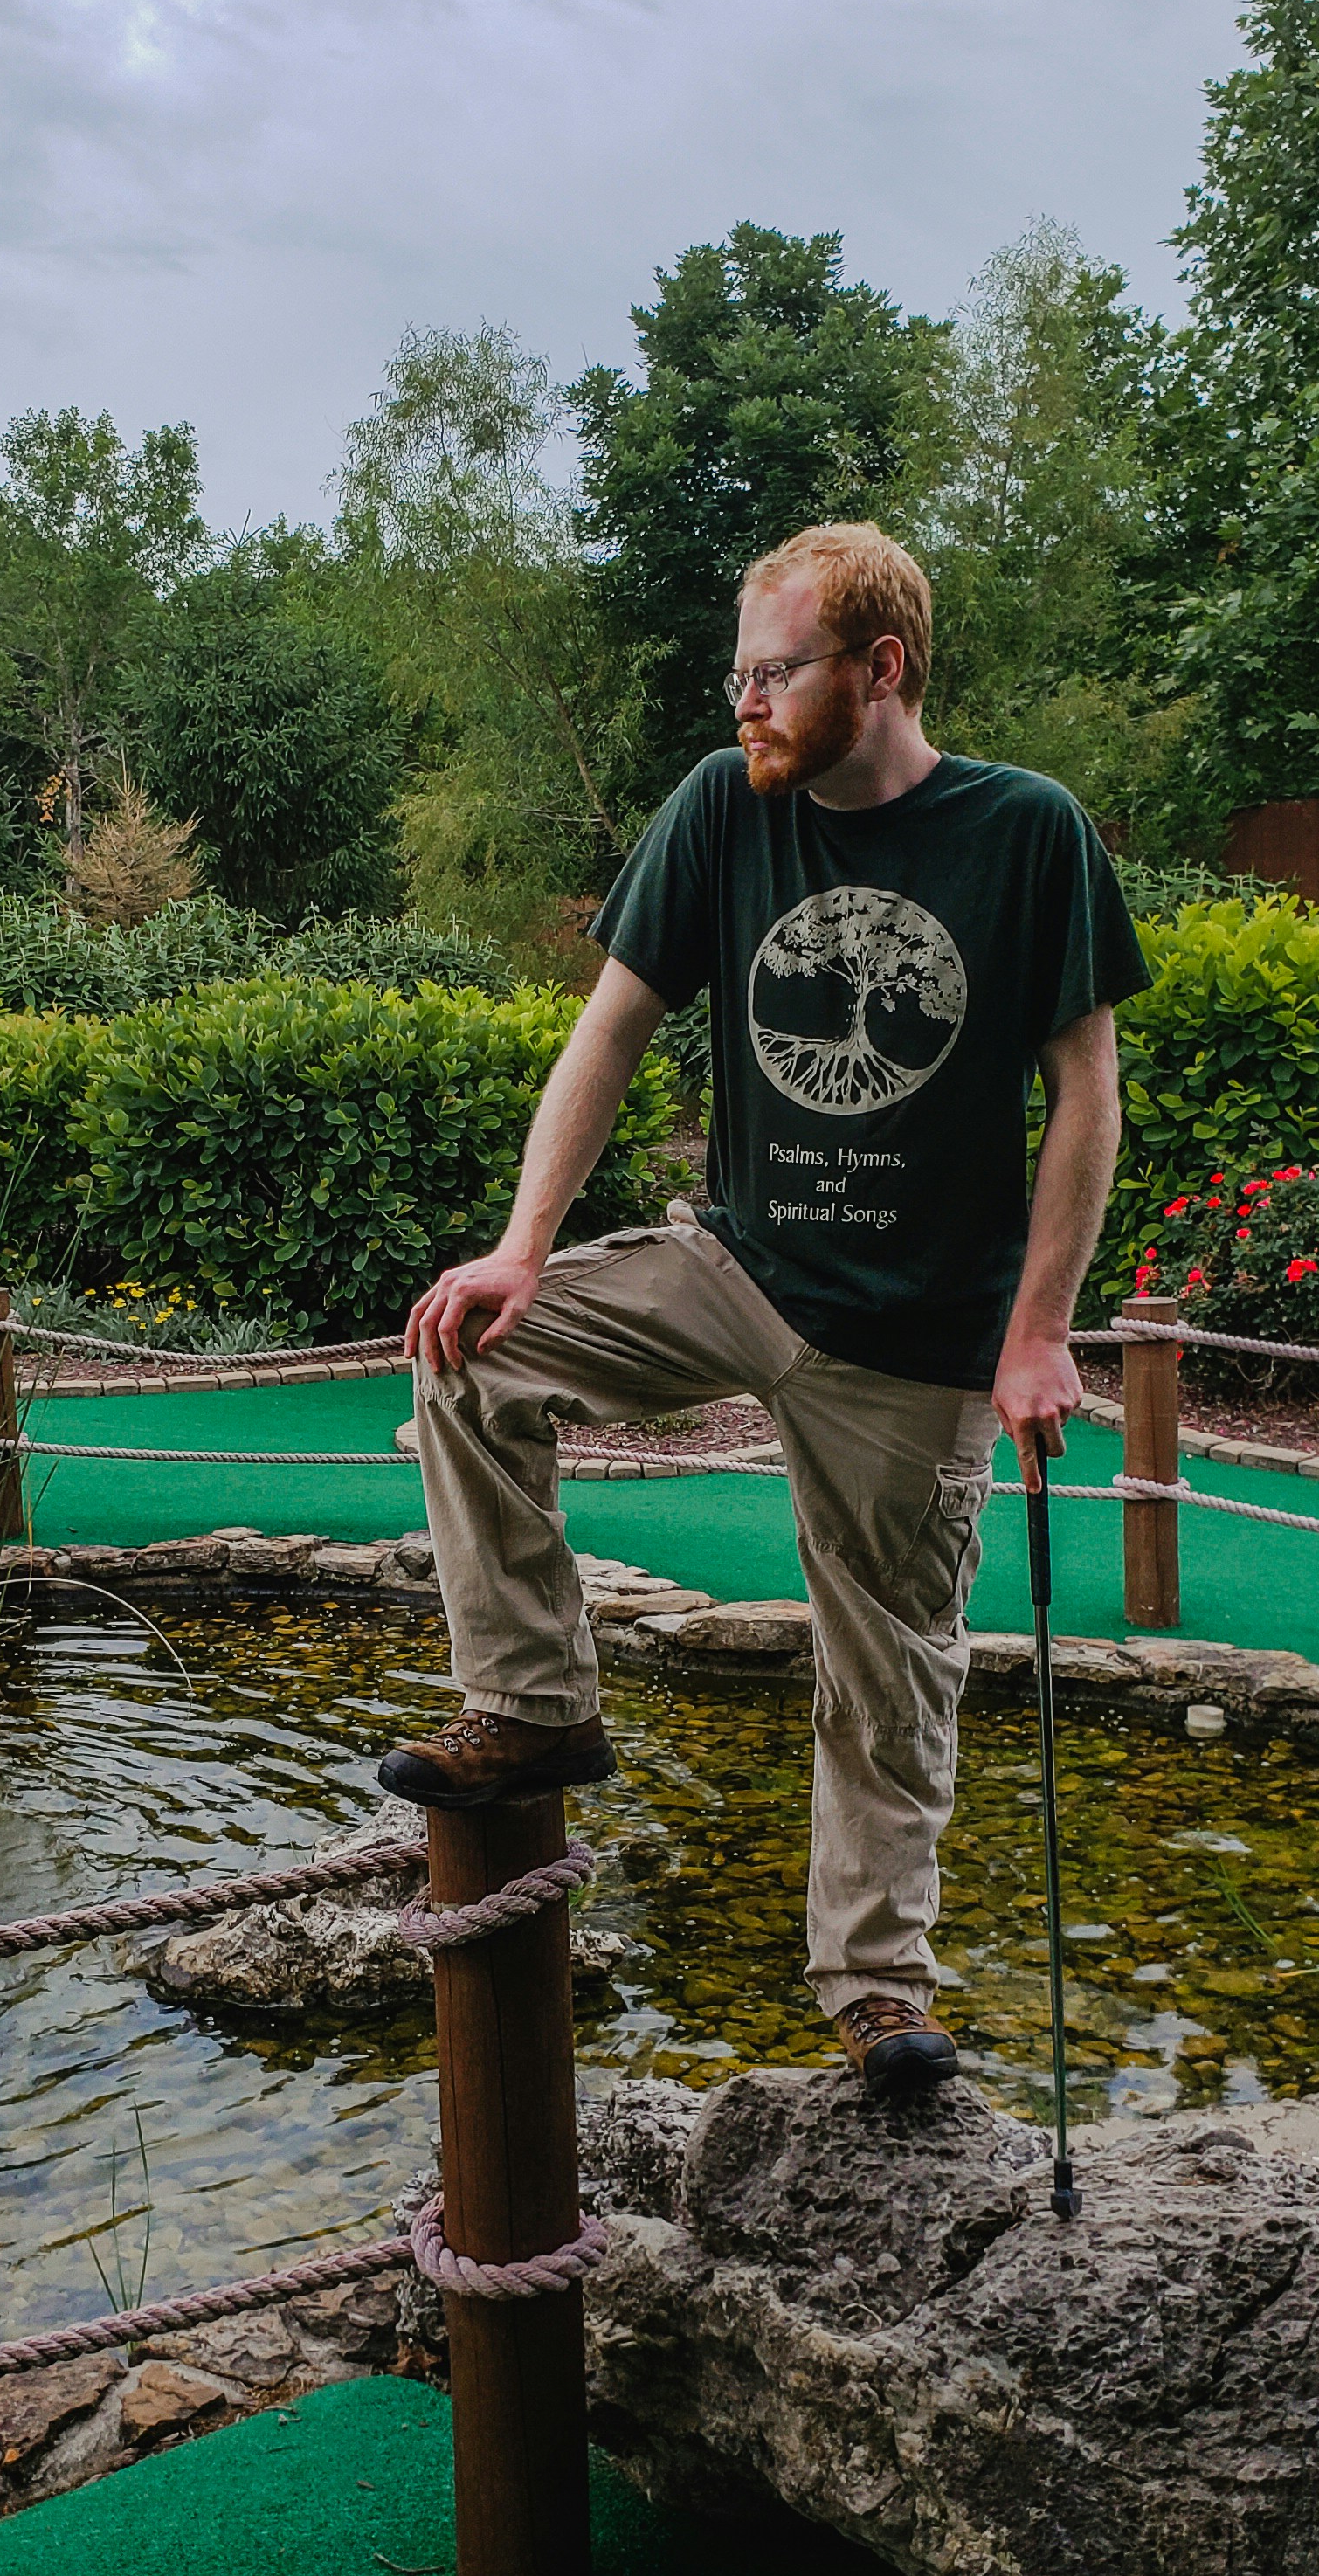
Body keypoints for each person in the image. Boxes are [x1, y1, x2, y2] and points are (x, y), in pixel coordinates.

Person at [376, 521, 1150, 2098]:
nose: (746, 705)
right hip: (738, 1268)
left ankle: (876, 1984)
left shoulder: (1027, 833)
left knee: (890, 1667)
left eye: (775, 674)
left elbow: (1086, 1099)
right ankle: (534, 1707)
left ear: (882, 670)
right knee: (472, 1348)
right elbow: (606, 1037)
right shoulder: (722, 811)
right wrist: (522, 1246)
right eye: (738, 673)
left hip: (918, 1336)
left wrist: (1039, 1329)